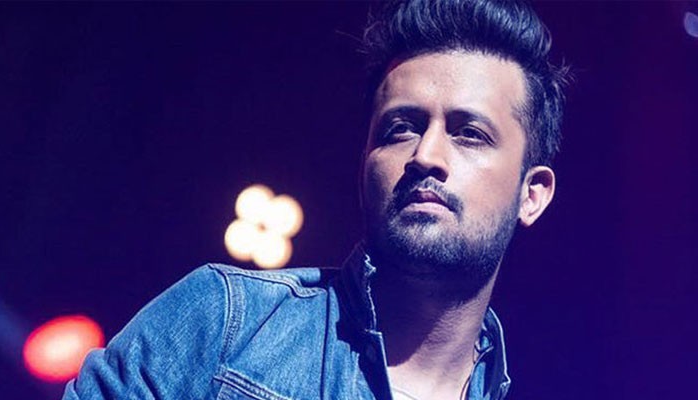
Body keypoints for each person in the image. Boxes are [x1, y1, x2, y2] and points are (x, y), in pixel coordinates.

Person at [63, 0, 567, 399]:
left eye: (469, 133)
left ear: (533, 194)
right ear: (364, 159)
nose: (425, 155)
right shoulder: (225, 323)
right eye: (401, 128)